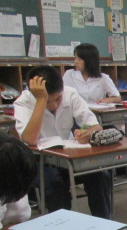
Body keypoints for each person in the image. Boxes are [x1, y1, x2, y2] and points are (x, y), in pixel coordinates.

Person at [14, 66, 111, 219]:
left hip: (67, 157)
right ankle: (63, 225)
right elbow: (30, 139)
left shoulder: (70, 93)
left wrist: (87, 133)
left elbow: (95, 126)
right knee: (54, 183)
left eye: (58, 99)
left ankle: (104, 223)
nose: (54, 105)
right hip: (39, 161)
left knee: (100, 174)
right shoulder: (23, 102)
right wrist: (41, 100)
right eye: (48, 101)